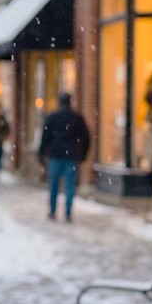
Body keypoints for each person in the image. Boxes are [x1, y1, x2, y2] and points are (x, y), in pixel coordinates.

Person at [38, 92, 91, 222]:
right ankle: (68, 213)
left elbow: (45, 136)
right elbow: (86, 137)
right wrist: (83, 154)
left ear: (59, 102)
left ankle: (52, 211)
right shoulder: (77, 118)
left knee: (54, 185)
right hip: (71, 157)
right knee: (70, 186)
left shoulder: (52, 117)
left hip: (55, 156)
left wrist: (42, 152)